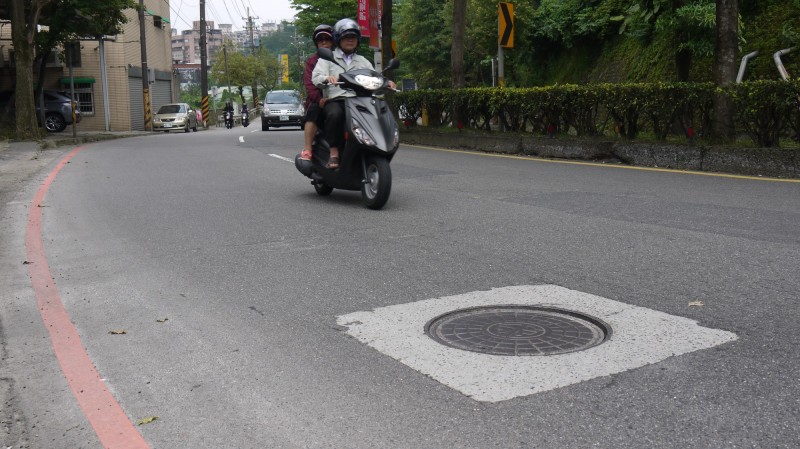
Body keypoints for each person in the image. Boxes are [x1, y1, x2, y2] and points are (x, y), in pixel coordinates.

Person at [312, 18, 395, 169]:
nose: (350, 40)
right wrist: (327, 78)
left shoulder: (363, 61)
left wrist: (386, 81)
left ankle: (376, 145)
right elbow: (316, 78)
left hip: (361, 100)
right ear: (338, 39)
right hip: (338, 99)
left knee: (378, 112)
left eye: (353, 37)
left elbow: (374, 76)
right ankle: (334, 152)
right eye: (346, 37)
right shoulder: (328, 58)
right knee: (334, 114)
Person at [300, 24, 334, 161]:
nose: (324, 42)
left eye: (327, 39)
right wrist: (319, 99)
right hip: (319, 100)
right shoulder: (312, 61)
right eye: (321, 40)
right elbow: (310, 84)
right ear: (316, 43)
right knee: (313, 112)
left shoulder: (341, 58)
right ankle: (308, 148)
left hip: (341, 97)